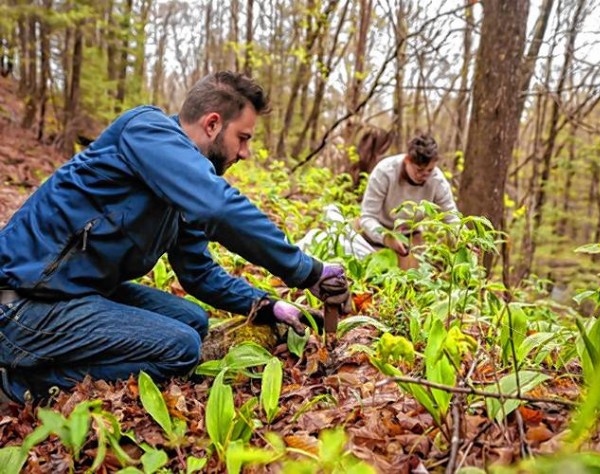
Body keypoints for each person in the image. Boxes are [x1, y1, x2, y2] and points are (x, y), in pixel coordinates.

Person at [0, 71, 349, 405]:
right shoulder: (145, 131)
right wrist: (306, 270)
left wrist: (268, 305)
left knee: (194, 320)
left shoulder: (180, 187)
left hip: (75, 292)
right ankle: (19, 384)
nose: (245, 153)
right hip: (21, 304)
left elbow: (200, 273)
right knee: (180, 348)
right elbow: (219, 208)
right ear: (212, 124)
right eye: (243, 138)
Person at [359, 133, 459, 268]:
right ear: (407, 160)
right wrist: (386, 238)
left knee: (410, 280)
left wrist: (463, 239)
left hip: (409, 237)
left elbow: (451, 217)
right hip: (375, 234)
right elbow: (367, 217)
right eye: (419, 170)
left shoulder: (437, 181)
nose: (424, 175)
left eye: (429, 170)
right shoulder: (384, 172)